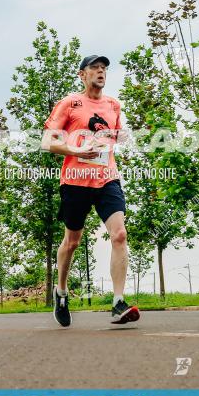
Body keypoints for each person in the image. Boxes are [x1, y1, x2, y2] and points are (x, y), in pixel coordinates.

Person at [43, 54, 140, 327]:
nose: (100, 72)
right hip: (75, 180)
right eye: (95, 68)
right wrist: (75, 148)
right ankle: (61, 293)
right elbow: (48, 141)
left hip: (107, 178)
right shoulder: (69, 103)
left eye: (104, 69)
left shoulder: (113, 105)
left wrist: (122, 136)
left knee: (119, 234)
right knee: (72, 242)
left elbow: (116, 135)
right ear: (82, 75)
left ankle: (118, 302)